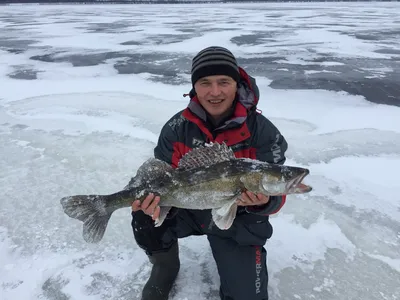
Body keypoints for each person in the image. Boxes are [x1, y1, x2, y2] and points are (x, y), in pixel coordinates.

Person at [131, 46, 288, 300]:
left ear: (236, 84)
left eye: (223, 82)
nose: (215, 92)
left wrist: (265, 202)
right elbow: (157, 175)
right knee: (143, 213)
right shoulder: (176, 128)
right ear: (195, 87)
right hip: (186, 207)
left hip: (237, 218)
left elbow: (277, 187)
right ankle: (165, 264)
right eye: (205, 83)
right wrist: (148, 202)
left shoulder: (263, 132)